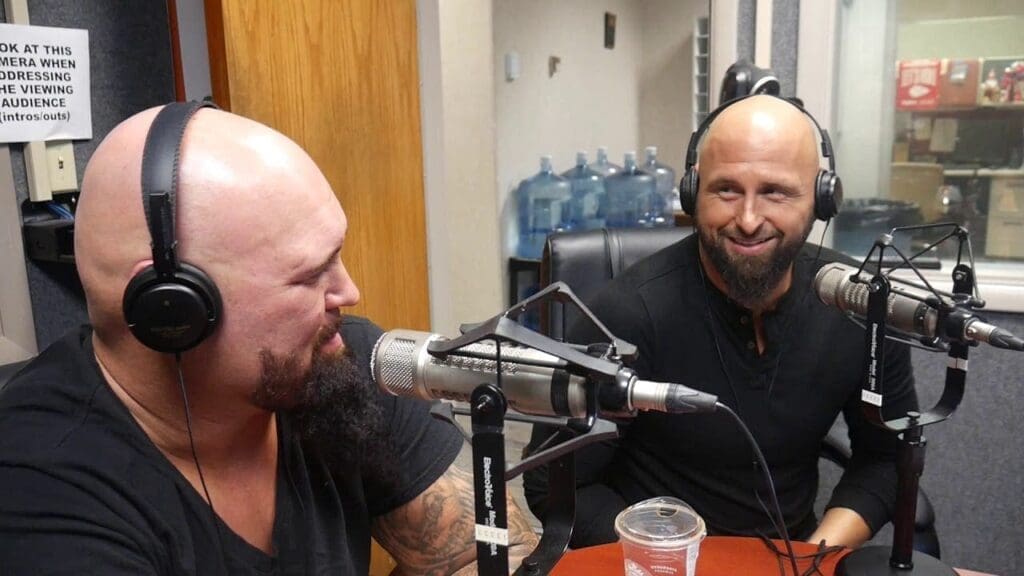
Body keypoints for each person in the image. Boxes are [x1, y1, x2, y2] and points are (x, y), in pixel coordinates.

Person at [0, 104, 537, 574]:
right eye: (308, 277)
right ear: (173, 307)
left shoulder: (332, 363)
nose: (349, 292)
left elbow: (493, 551)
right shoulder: (41, 490)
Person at [524, 95, 918, 549]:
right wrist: (673, 559)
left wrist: (814, 556)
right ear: (693, 193)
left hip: (797, 556)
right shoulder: (623, 314)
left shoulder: (860, 305)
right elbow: (553, 484)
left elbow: (886, 457)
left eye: (775, 192)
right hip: (662, 561)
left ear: (822, 198)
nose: (748, 220)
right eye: (726, 190)